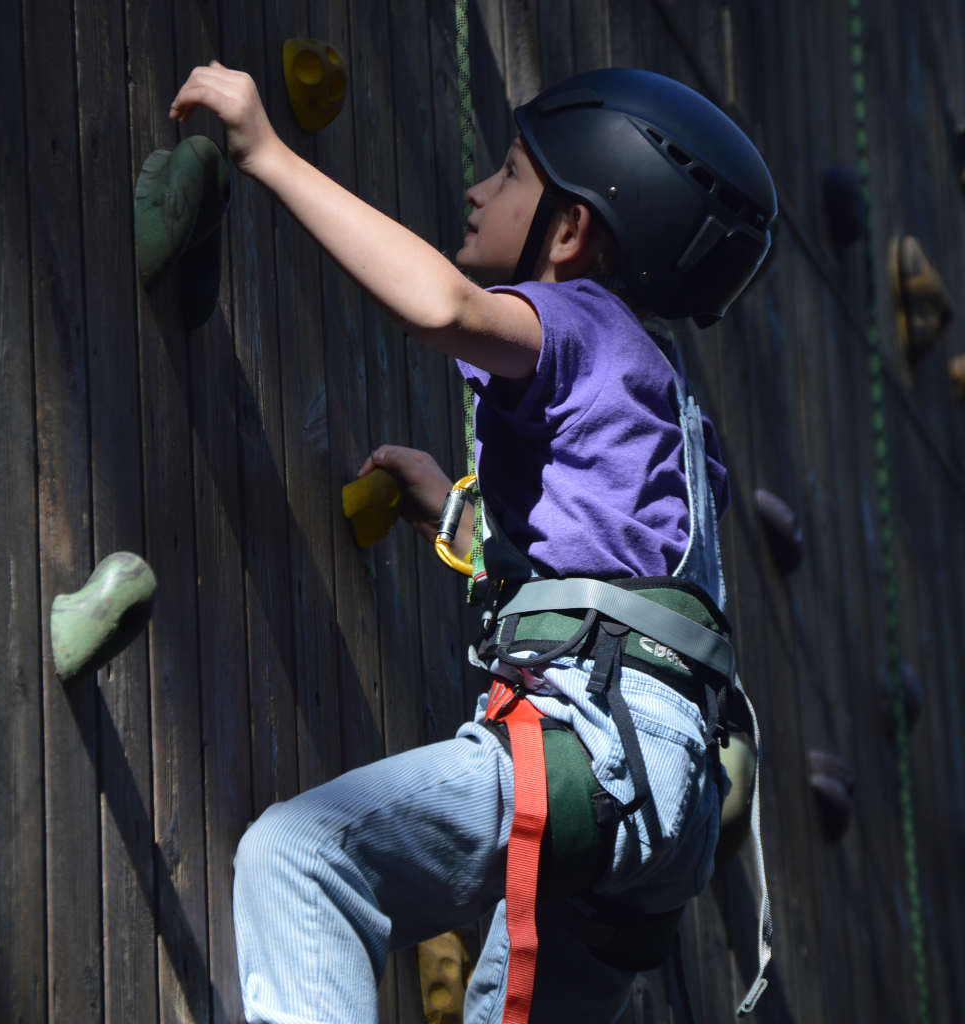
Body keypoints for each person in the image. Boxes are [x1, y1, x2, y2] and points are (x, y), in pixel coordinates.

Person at [170, 61, 776, 1024]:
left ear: (571, 231)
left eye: (508, 174)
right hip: (669, 815)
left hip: (597, 751)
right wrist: (458, 520)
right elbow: (609, 554)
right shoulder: (672, 410)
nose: (476, 189)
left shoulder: (583, 319)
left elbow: (445, 308)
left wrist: (270, 154)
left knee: (305, 859)